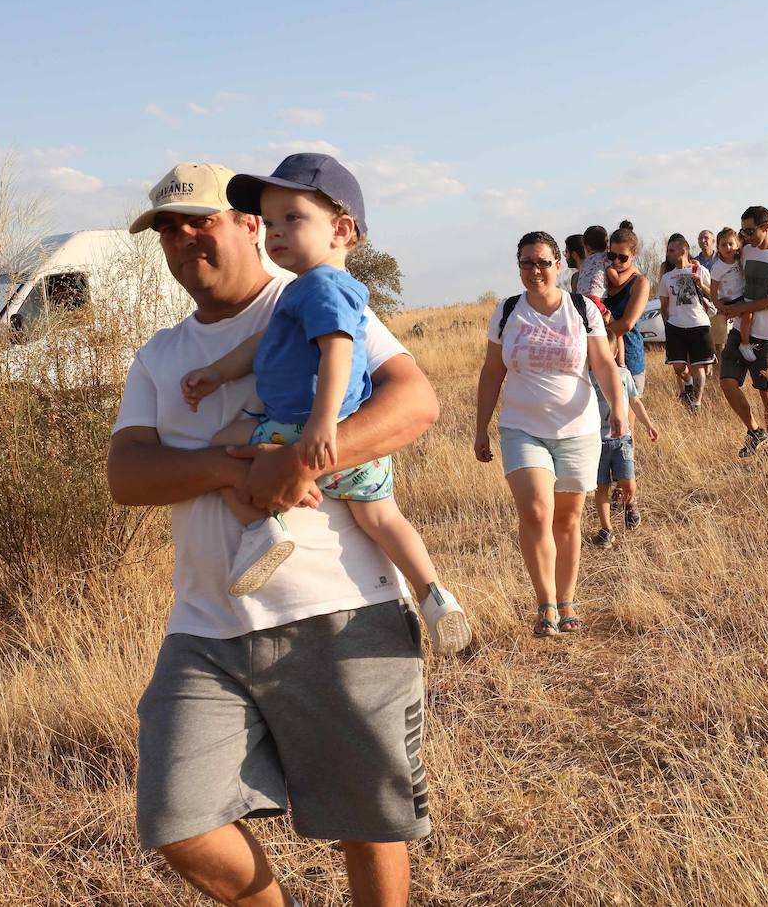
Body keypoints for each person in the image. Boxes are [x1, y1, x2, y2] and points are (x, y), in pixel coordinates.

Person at [110, 162, 440, 907]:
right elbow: (127, 477)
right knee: (178, 819)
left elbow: (415, 403)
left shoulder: (310, 296)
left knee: (370, 821)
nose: (183, 238)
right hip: (204, 628)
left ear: (250, 223)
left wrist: (296, 459)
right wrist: (228, 473)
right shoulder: (160, 356)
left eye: (201, 220)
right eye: (167, 228)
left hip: (339, 608)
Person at [176, 154, 470, 655]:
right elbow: (262, 347)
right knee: (383, 520)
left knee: (222, 448)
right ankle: (434, 594)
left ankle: (261, 530)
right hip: (359, 451)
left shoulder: (320, 287)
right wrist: (219, 372)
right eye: (269, 222)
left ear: (341, 229)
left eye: (292, 218)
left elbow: (337, 349)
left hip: (297, 430)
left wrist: (318, 424)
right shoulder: (307, 291)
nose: (275, 233)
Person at [473, 231, 627, 637]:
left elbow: (603, 364)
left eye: (543, 262)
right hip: (522, 428)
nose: (535, 270)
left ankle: (567, 602)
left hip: (578, 428)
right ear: (519, 267)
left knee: (569, 519)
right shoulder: (507, 312)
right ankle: (545, 606)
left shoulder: (581, 309)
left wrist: (620, 413)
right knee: (537, 511)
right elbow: (492, 373)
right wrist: (481, 427)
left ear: (559, 266)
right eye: (527, 263)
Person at [715, 206, 768, 456]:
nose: (745, 236)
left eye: (750, 231)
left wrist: (743, 307)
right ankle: (754, 431)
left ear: (767, 227)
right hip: (740, 328)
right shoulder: (746, 251)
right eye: (742, 231)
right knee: (727, 382)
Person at [588, 305, 659, 548]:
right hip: (595, 442)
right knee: (601, 487)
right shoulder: (585, 378)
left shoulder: (623, 375)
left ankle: (630, 503)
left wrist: (648, 424)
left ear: (614, 351)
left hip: (622, 440)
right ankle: (606, 529)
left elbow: (635, 401)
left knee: (628, 481)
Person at [659, 233, 716, 409]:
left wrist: (702, 285)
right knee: (678, 367)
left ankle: (696, 404)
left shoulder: (701, 271)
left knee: (699, 367)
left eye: (671, 250)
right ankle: (689, 383)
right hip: (675, 326)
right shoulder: (667, 277)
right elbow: (663, 304)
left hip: (699, 324)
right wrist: (667, 324)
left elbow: (715, 296)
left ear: (683, 251)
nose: (668, 254)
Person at [602, 221, 652, 393]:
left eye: (622, 257)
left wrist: (594, 337)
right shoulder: (602, 278)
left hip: (629, 360)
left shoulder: (640, 282)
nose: (616, 261)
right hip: (600, 359)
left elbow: (627, 324)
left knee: (627, 419)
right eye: (611, 256)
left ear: (633, 255)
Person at [708, 228, 744, 363]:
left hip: (742, 298)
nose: (728, 247)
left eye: (731, 244)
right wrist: (718, 305)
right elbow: (713, 290)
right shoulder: (718, 267)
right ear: (718, 247)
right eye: (723, 245)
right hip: (728, 302)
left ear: (737, 245)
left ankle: (745, 345)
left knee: (747, 320)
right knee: (722, 340)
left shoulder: (741, 260)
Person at [577, 224, 609, 300]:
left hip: (581, 298)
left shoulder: (584, 263)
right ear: (606, 245)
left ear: (586, 247)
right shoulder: (607, 258)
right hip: (597, 297)